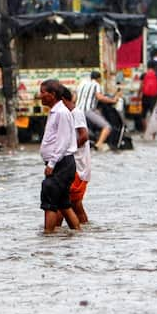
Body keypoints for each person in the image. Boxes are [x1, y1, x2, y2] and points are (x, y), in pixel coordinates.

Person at [39, 79, 80, 233]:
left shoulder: (61, 113)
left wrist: (51, 164)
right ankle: (77, 233)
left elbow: (62, 142)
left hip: (61, 164)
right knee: (64, 204)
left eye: (43, 93)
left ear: (53, 95)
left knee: (49, 202)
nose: (40, 96)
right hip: (61, 164)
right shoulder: (55, 112)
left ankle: (48, 237)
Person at [61, 86, 91, 224]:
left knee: (74, 203)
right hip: (73, 165)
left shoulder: (75, 113)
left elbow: (84, 136)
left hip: (77, 166)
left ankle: (79, 230)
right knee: (66, 203)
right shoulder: (67, 114)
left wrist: (68, 151)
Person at [75, 70, 120, 151]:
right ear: (99, 79)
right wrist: (113, 101)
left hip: (77, 110)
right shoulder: (96, 85)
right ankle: (98, 144)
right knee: (107, 127)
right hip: (87, 110)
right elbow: (100, 97)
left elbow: (74, 98)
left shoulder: (82, 84)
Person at [137, 62, 157, 132]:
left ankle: (145, 131)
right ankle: (153, 132)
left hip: (145, 96)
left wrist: (138, 94)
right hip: (154, 97)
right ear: (154, 68)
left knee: (143, 114)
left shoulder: (144, 75)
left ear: (147, 67)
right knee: (153, 114)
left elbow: (141, 86)